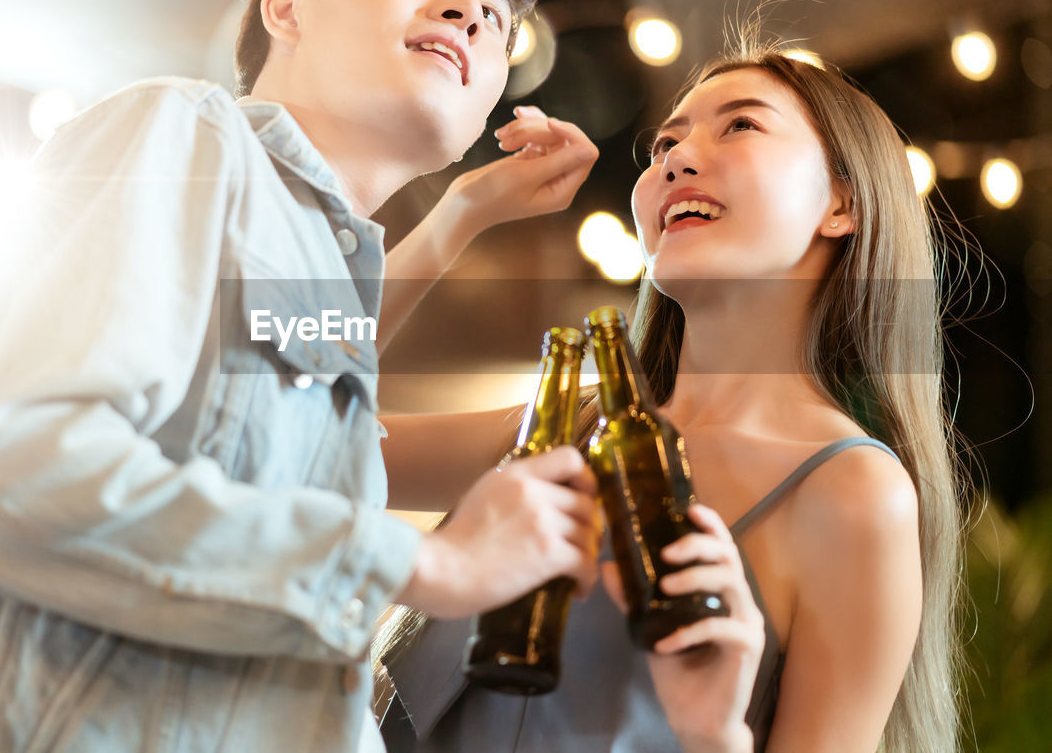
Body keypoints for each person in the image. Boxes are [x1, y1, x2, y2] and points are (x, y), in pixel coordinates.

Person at [0, 0, 605, 751]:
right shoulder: (181, 133)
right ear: (287, 7)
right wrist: (425, 566)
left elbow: (287, 359)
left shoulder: (291, 254)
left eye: (495, 14)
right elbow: (18, 471)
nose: (469, 11)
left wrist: (458, 220)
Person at [376, 42, 962, 753]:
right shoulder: (568, 426)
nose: (677, 159)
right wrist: (458, 215)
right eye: (664, 143)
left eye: (741, 126)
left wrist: (715, 736)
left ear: (842, 203)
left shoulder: (854, 493)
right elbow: (270, 419)